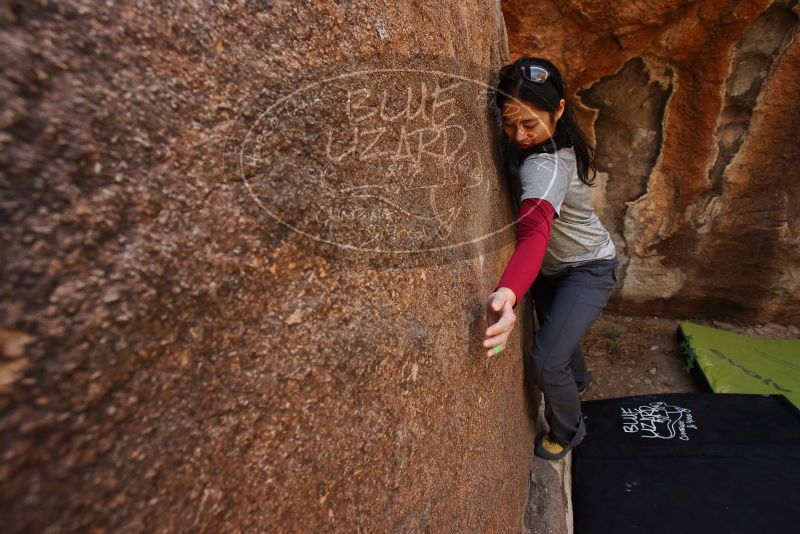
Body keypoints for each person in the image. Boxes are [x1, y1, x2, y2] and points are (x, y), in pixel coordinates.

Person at [482, 57, 620, 461]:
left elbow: (534, 234)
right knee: (559, 339)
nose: (519, 135)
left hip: (589, 269)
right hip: (553, 269)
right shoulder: (548, 139)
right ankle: (577, 380)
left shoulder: (547, 165)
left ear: (559, 110)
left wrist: (507, 293)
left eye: (529, 124)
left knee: (545, 360)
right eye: (509, 122)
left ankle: (568, 431)